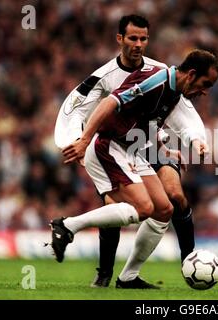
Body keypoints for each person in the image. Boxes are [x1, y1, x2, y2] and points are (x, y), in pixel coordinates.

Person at [55, 15, 206, 289]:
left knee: (169, 201)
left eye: (143, 38)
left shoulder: (164, 73)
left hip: (145, 144)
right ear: (120, 39)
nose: (138, 44)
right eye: (132, 38)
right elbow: (80, 108)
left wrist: (179, 143)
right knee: (120, 208)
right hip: (111, 144)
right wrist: (78, 140)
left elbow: (170, 115)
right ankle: (100, 268)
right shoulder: (105, 78)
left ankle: (146, 272)